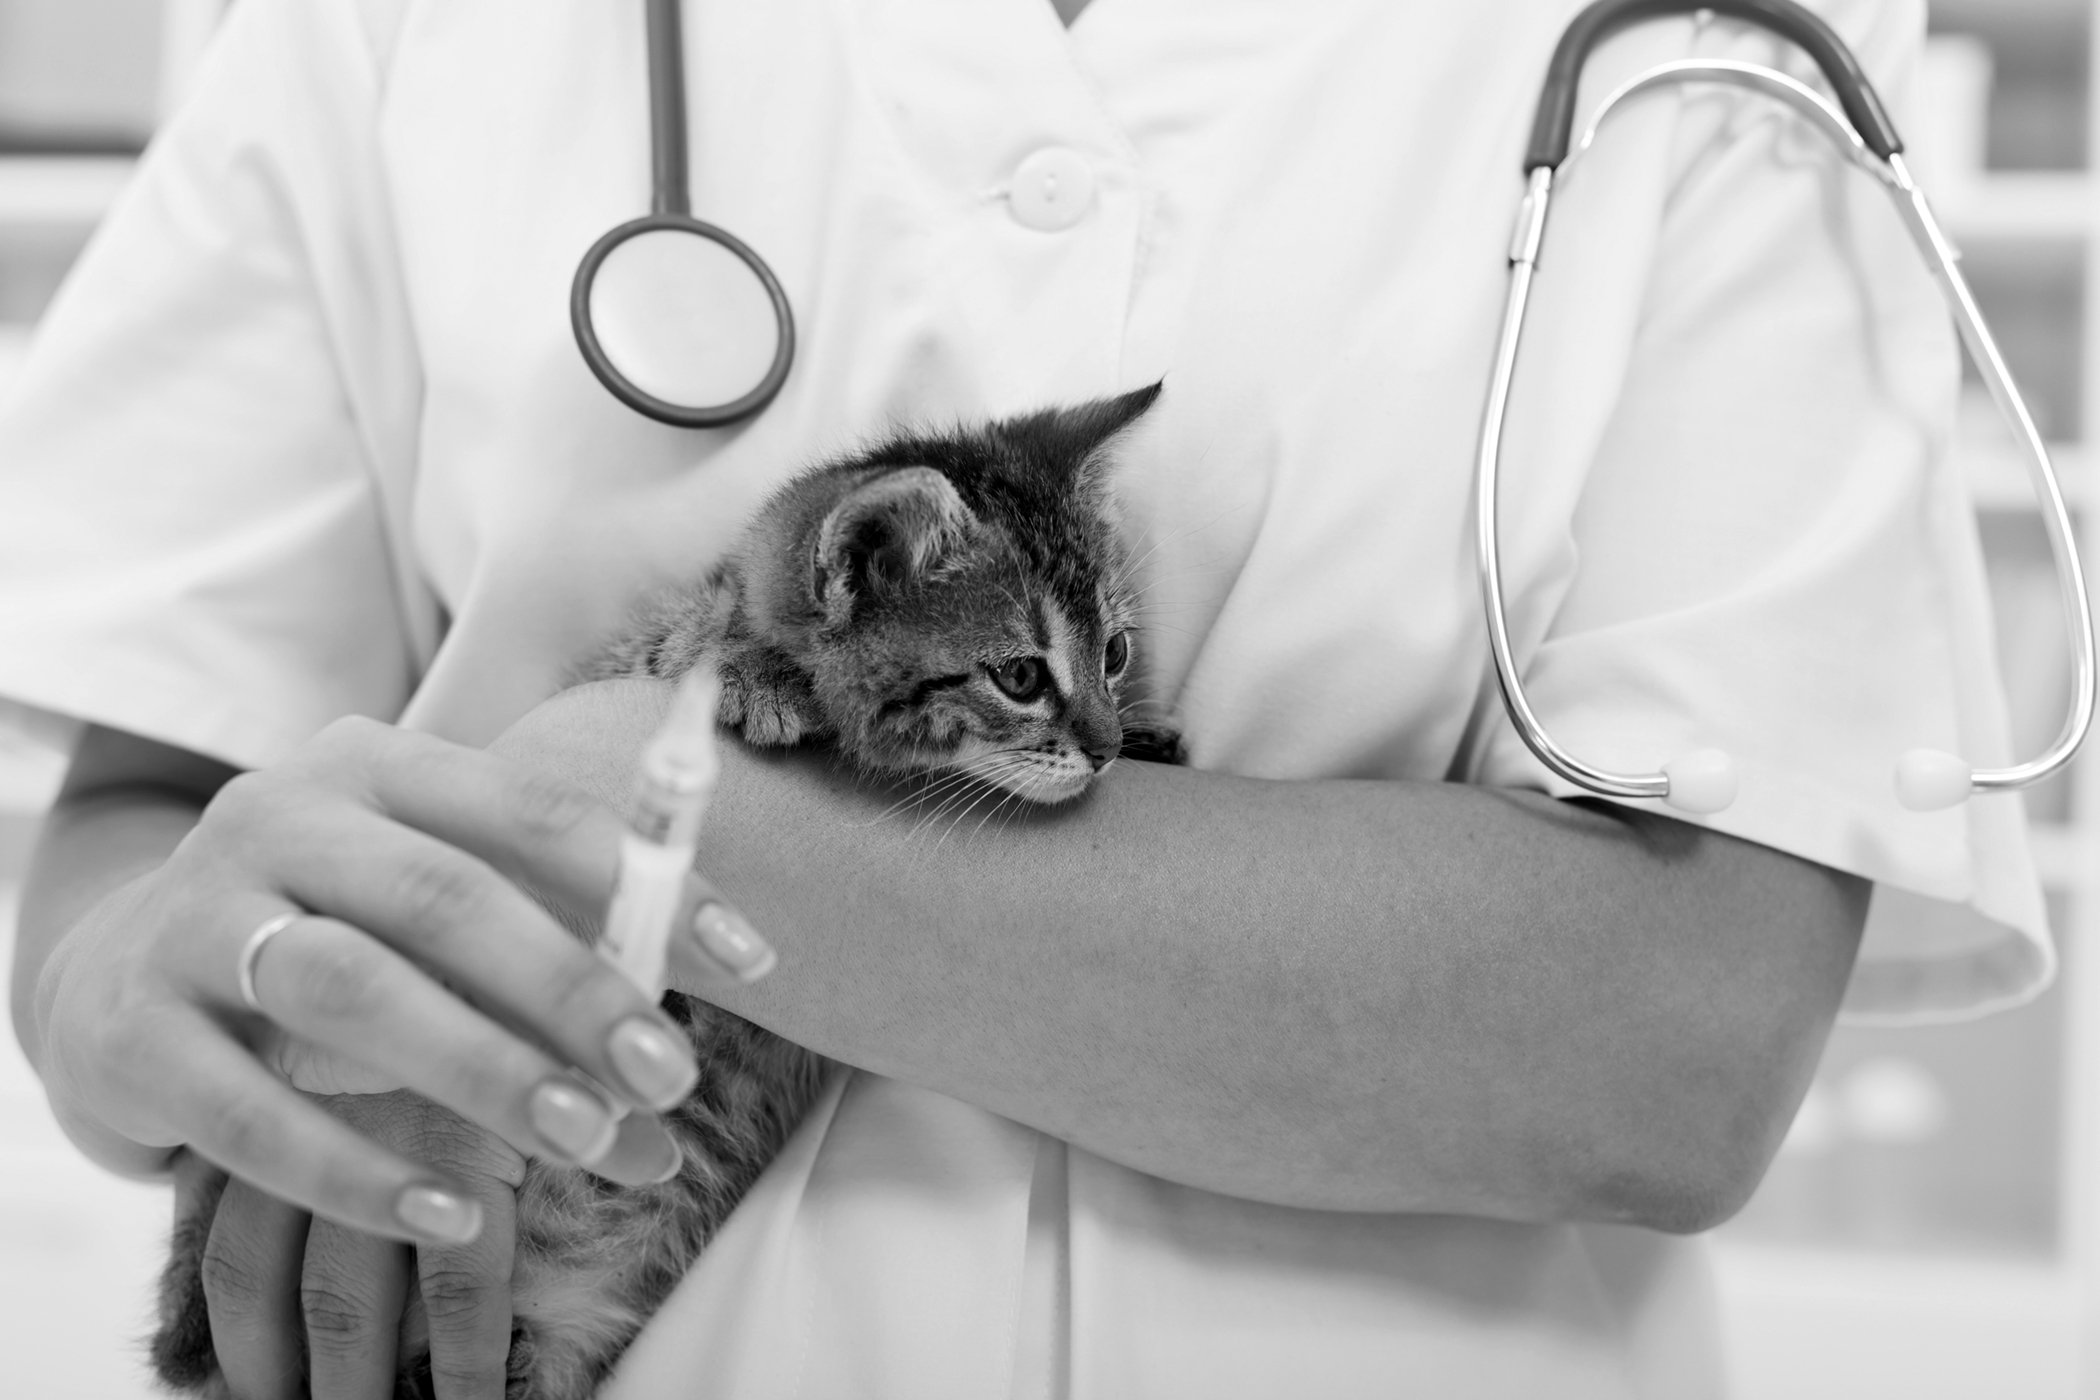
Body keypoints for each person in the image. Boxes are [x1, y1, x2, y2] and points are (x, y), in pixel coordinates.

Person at [0, 0, 2049, 1395]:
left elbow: (1664, 1041)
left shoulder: (1719, 40)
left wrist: (644, 797)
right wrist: (151, 991)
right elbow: (149, 811)